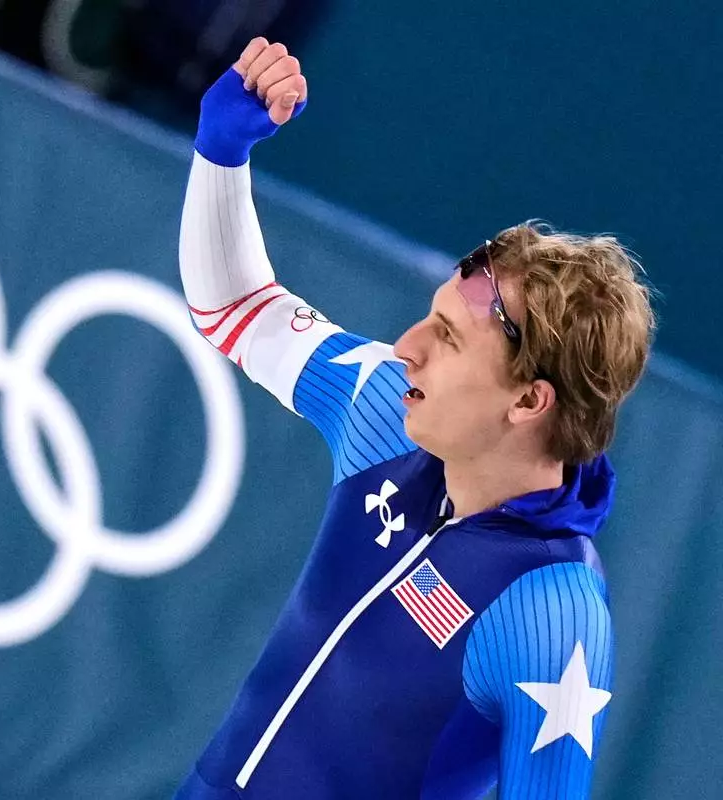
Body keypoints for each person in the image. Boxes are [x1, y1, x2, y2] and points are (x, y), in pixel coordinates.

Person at [174, 37, 655, 799]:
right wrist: (222, 151)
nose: (405, 347)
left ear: (529, 400)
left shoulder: (549, 614)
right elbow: (234, 307)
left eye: (450, 339)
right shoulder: (383, 414)